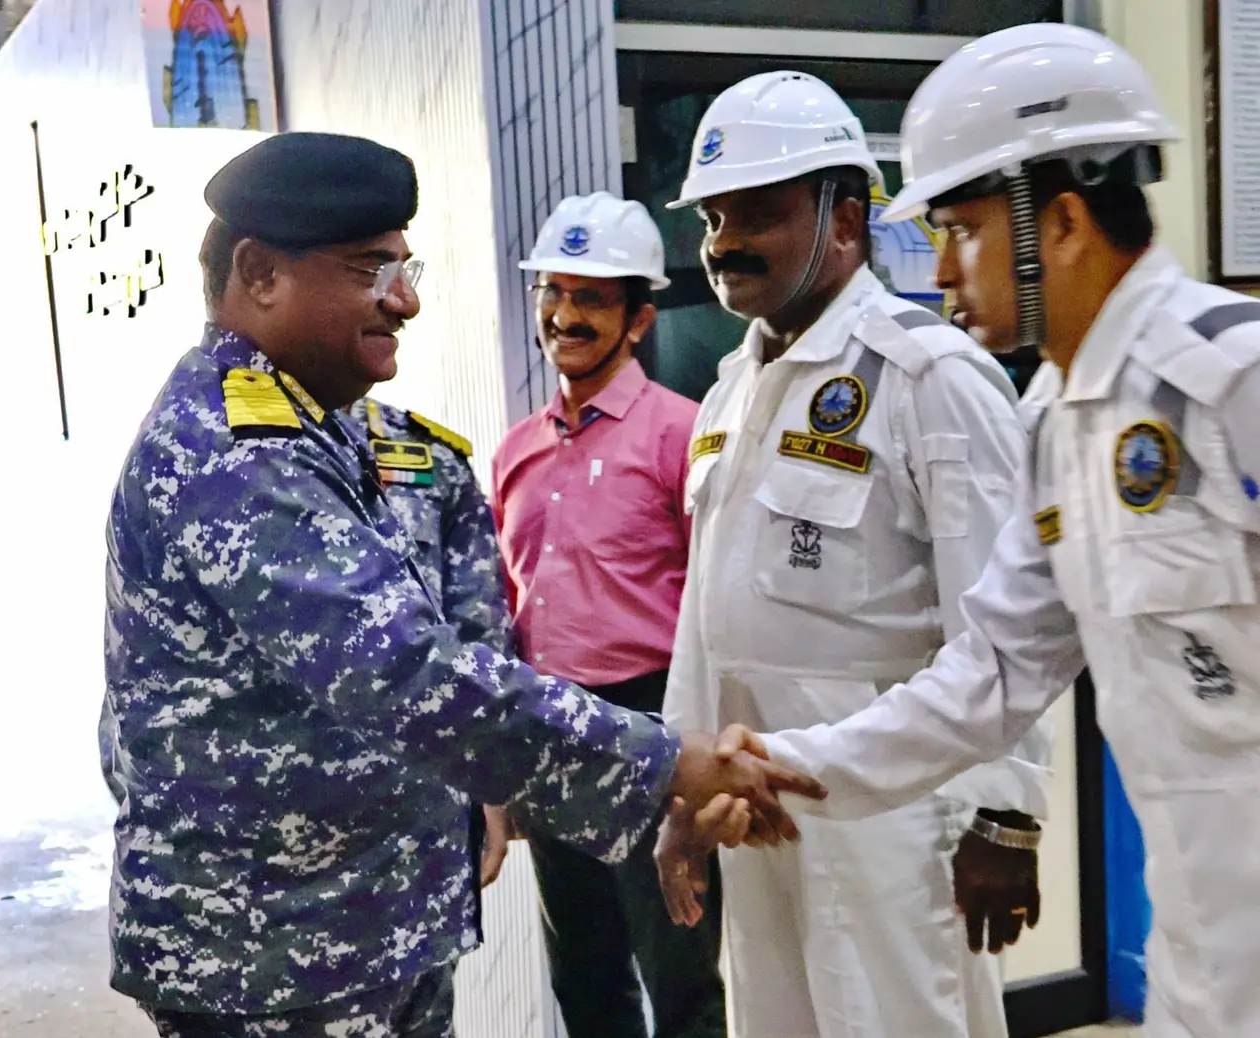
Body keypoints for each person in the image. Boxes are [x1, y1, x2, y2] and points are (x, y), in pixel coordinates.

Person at [98, 131, 826, 1038]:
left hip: (364, 923)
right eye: (370, 269)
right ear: (260, 273)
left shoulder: (331, 432)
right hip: (267, 953)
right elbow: (401, 668)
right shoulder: (233, 453)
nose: (404, 300)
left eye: (405, 269)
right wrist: (666, 762)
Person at [664, 24, 1260, 1038]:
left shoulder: (1230, 376)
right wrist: (773, 765)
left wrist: (999, 816)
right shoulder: (1059, 427)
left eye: (961, 232)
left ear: (1060, 221)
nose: (938, 271)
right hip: (1201, 949)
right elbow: (985, 677)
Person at [657, 71, 1056, 1038]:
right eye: (711, 218)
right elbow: (705, 623)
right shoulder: (730, 391)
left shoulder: (931, 375)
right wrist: (681, 792)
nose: (723, 242)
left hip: (895, 816)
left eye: (756, 213)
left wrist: (1006, 813)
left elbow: (1002, 625)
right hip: (754, 803)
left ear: (845, 218)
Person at [490, 192, 726, 1038]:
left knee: (682, 980)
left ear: (638, 319)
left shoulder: (682, 436)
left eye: (591, 298)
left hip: (652, 724)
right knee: (585, 986)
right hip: (552, 728)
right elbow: (508, 611)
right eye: (553, 293)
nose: (565, 316)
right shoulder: (515, 452)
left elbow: (716, 606)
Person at [347, 394, 515, 889]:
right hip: (261, 816)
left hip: (420, 806)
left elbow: (480, 636)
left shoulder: (429, 455)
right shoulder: (217, 438)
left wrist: (490, 779)